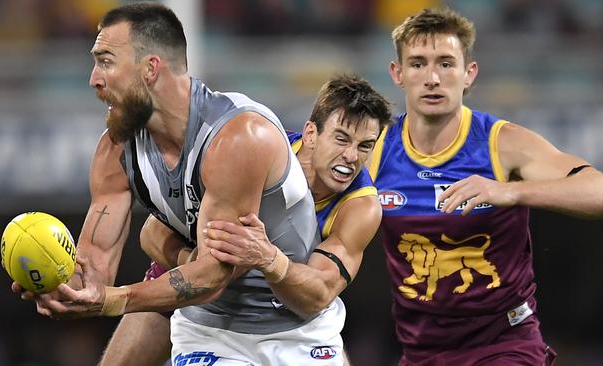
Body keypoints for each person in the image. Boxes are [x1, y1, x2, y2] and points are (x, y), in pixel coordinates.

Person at [11, 3, 348, 365]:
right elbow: (93, 268)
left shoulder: (238, 137)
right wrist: (58, 284)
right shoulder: (116, 150)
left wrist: (114, 299)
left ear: (150, 68)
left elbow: (211, 274)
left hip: (294, 328)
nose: (94, 78)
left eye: (106, 61)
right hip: (210, 328)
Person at [365, 8, 603, 366]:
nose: (432, 78)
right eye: (418, 64)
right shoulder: (376, 151)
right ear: (397, 73)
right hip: (421, 352)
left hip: (504, 345)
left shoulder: (501, 143)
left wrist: (511, 191)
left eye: (445, 63)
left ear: (469, 74)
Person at [100, 74, 393, 365]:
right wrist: (201, 266)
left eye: (365, 146)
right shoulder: (258, 153)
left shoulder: (360, 207)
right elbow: (152, 232)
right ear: (311, 133)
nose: (351, 156)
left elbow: (317, 296)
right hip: (210, 309)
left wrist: (266, 258)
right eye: (341, 139)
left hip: (293, 322)